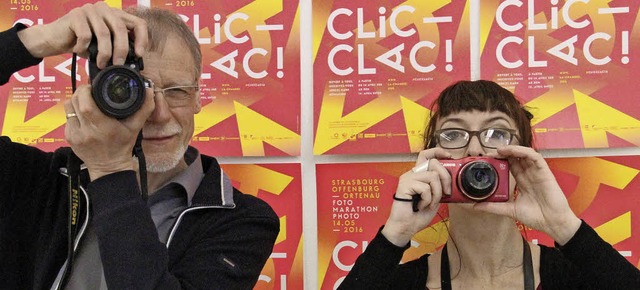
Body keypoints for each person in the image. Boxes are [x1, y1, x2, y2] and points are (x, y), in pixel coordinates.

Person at [0, 2, 279, 289]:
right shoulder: (41, 183)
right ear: (96, 95)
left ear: (198, 95)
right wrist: (36, 40)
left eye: (177, 91)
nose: (159, 114)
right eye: (130, 90)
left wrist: (110, 169)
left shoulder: (241, 219)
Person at [338, 80, 640, 289]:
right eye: (453, 134)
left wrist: (564, 226)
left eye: (497, 134)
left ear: (523, 158)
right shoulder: (402, 283)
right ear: (432, 161)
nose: (475, 150)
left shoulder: (576, 277)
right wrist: (395, 235)